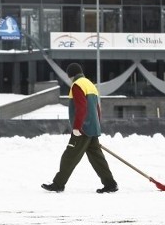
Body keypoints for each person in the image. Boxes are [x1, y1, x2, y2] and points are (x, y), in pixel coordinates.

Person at [42, 63, 119, 194]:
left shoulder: (77, 85)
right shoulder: (90, 85)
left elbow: (81, 107)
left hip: (83, 129)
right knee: (97, 158)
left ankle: (58, 184)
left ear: (70, 75)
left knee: (69, 156)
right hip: (92, 128)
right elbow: (97, 108)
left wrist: (77, 127)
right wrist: (96, 125)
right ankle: (110, 184)